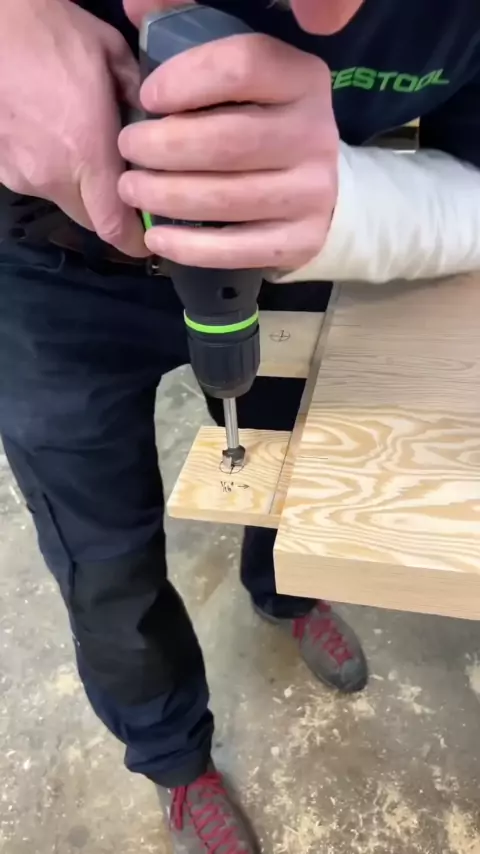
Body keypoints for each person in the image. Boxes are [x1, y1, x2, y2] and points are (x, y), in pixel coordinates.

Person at [1, 0, 480, 850]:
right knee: (104, 564)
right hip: (47, 270)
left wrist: (355, 204)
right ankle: (173, 758)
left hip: (293, 247)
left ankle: (286, 591)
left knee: (293, 471)